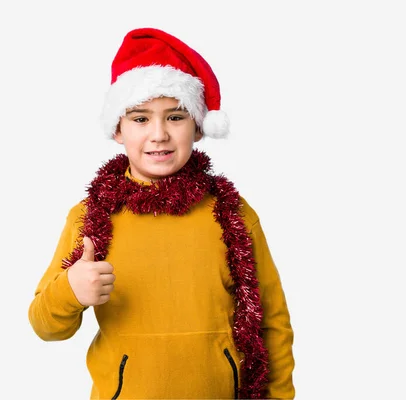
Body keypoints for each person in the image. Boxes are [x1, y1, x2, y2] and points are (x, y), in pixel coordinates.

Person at [28, 27, 295, 399]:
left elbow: (272, 321)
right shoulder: (91, 217)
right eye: (140, 119)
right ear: (117, 129)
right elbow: (45, 324)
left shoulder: (231, 213)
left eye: (175, 117)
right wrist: (70, 291)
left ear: (198, 127)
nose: (159, 135)